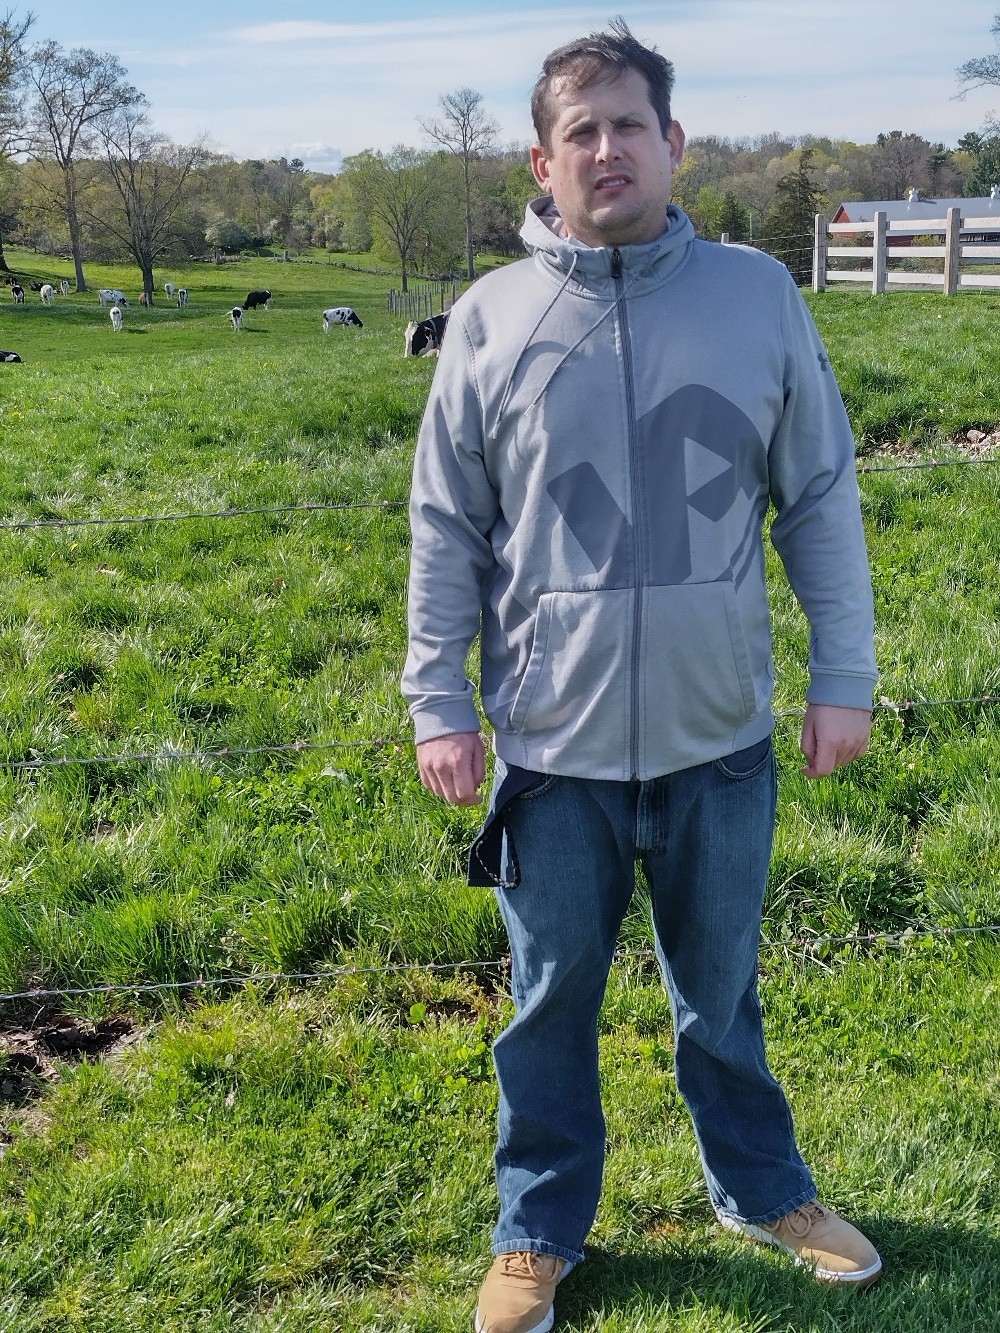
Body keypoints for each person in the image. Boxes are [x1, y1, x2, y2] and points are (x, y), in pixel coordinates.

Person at [402, 20, 880, 1333]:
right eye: (581, 131)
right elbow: (446, 526)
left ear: (674, 144)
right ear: (542, 162)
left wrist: (843, 672)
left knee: (721, 992)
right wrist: (439, 698)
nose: (606, 149)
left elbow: (820, 495)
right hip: (551, 751)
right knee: (547, 1004)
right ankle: (537, 1227)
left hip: (719, 736)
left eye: (629, 125)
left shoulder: (758, 297)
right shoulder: (490, 319)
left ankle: (765, 1188)